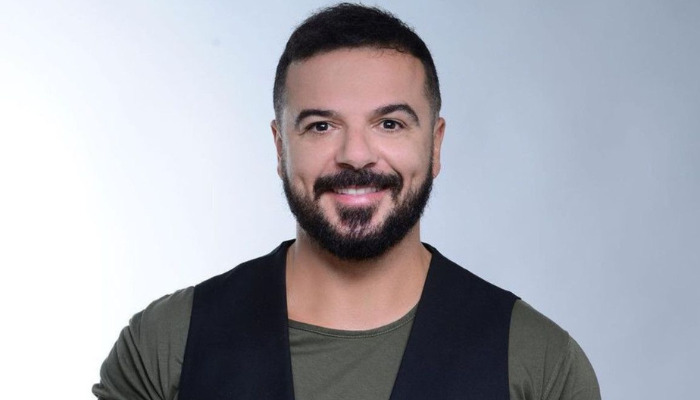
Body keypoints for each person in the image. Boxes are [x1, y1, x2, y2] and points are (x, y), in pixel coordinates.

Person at [93, 3, 600, 400]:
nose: (356, 154)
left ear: (435, 145)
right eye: (321, 126)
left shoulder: (538, 364)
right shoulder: (165, 346)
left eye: (390, 124)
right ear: (280, 148)